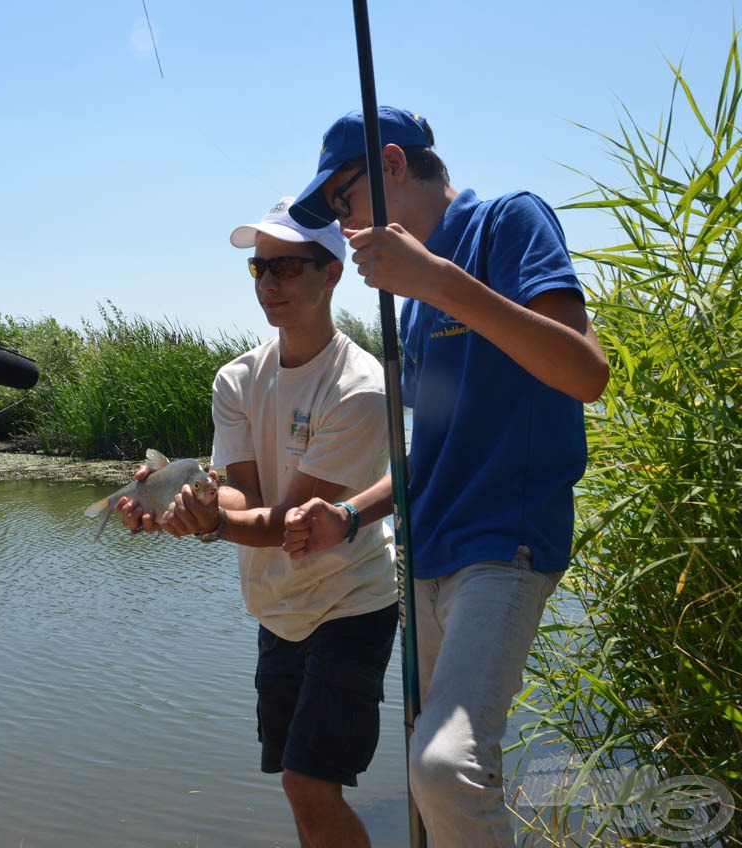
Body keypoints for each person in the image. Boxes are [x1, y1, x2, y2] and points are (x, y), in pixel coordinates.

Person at [282, 107, 610, 847]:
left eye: (344, 198)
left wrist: (441, 282)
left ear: (393, 165)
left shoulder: (508, 223)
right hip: (425, 562)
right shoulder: (413, 308)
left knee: (442, 767)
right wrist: (352, 516)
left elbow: (585, 373)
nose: (345, 221)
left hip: (501, 548)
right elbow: (425, 457)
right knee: (431, 777)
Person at [120, 197, 397, 848]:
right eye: (259, 269)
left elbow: (293, 526)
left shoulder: (361, 388)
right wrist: (198, 508)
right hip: (275, 610)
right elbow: (242, 494)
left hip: (350, 605)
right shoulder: (235, 379)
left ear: (331, 273)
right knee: (299, 792)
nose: (269, 283)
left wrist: (213, 525)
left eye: (287, 267)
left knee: (310, 783)